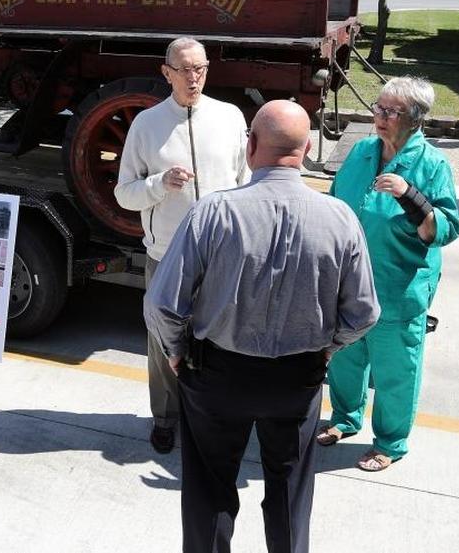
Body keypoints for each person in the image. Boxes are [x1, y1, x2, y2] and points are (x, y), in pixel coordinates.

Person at [144, 100, 379, 553]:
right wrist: (328, 349)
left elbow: (162, 304)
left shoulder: (213, 213)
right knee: (290, 493)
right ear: (308, 148)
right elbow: (364, 311)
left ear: (251, 146)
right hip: (297, 377)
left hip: (217, 374)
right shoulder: (340, 218)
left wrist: (175, 351)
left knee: (209, 493)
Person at [115, 37, 249, 454]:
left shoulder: (229, 117)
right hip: (167, 254)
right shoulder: (146, 125)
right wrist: (159, 184)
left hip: (221, 253)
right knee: (163, 343)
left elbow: (245, 181)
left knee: (222, 342)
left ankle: (212, 417)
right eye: (184, 69)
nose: (193, 78)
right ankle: (165, 418)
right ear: (166, 71)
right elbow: (124, 193)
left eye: (201, 69)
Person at [320, 77, 459, 471]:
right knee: (346, 356)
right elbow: (335, 202)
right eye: (378, 108)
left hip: (398, 286)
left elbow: (445, 229)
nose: (379, 117)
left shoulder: (431, 164)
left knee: (394, 367)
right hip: (349, 281)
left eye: (390, 111)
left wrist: (410, 196)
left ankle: (390, 441)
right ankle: (344, 419)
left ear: (415, 118)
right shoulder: (363, 150)